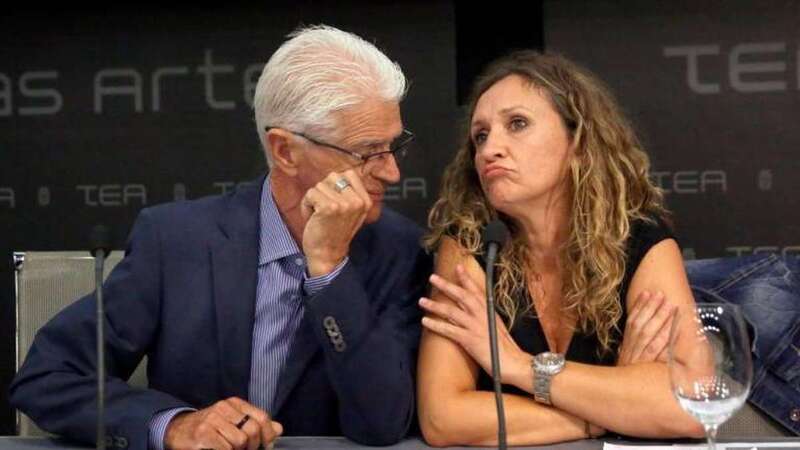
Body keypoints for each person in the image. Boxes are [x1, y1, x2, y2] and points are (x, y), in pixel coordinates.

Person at [11, 25, 431, 450]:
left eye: (394, 147)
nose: (392, 171)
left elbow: (382, 423)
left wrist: (329, 270)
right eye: (367, 152)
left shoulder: (399, 251)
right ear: (285, 151)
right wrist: (174, 426)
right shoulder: (176, 241)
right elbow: (48, 375)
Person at [416, 50, 706, 446]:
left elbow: (691, 403)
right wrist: (607, 412)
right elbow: (443, 418)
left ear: (578, 140)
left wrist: (519, 368)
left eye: (517, 124)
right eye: (480, 135)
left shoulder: (638, 237)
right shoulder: (470, 244)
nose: (488, 149)